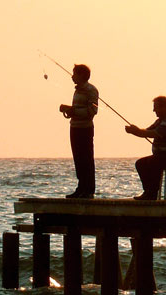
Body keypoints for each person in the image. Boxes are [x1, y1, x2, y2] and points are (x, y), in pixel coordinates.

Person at [124, 96, 166, 200]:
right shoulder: (160, 121)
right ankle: (148, 191)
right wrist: (134, 131)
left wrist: (137, 131)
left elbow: (154, 133)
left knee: (154, 163)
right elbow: (146, 132)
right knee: (140, 163)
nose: (154, 110)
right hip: (162, 155)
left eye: (156, 107)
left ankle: (152, 193)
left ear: (164, 108)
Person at [59, 64, 99, 199]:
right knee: (78, 159)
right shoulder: (77, 91)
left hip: (85, 129)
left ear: (82, 75)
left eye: (75, 73)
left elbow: (92, 111)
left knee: (86, 159)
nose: (72, 76)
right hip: (74, 127)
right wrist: (68, 110)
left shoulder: (91, 90)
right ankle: (81, 187)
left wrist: (72, 110)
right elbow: (77, 110)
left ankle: (88, 190)